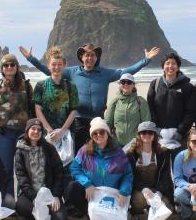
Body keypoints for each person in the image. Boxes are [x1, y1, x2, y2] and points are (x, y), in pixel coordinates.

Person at [20, 43, 160, 149]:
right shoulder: (72, 72)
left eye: (92, 55)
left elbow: (125, 72)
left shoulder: (105, 73)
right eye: (86, 55)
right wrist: (31, 59)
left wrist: (145, 60)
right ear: (82, 57)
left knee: (98, 151)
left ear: (96, 57)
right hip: (78, 120)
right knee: (79, 152)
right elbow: (51, 70)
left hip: (98, 119)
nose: (89, 58)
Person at [64, 117, 133, 220]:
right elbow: (74, 168)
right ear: (91, 136)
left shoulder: (118, 152)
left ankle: (115, 216)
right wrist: (87, 184)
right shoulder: (84, 151)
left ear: (107, 134)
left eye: (101, 132)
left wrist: (124, 191)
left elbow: (128, 174)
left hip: (112, 194)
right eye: (95, 133)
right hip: (92, 192)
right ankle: (90, 217)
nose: (98, 135)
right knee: (72, 187)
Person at [0, 53, 34, 197]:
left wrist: (31, 129)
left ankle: (23, 200)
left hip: (23, 133)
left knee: (24, 169)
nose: (9, 67)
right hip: (4, 134)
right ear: (2, 68)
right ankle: (8, 201)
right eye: (6, 65)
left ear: (17, 67)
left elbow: (32, 107)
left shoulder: (26, 85)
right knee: (5, 168)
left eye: (12, 64)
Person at [14, 119, 68, 220]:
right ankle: (32, 219)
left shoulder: (49, 148)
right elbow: (22, 178)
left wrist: (56, 195)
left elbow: (59, 173)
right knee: (21, 206)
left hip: (50, 194)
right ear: (27, 130)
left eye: (39, 130)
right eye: (33, 129)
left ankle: (46, 214)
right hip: (31, 195)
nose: (36, 132)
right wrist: (34, 198)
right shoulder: (20, 151)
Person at [124, 121, 174, 220]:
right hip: (138, 190)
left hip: (156, 189)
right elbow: (130, 177)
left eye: (150, 133)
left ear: (155, 135)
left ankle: (152, 211)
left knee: (166, 206)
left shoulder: (163, 153)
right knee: (139, 201)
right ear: (139, 135)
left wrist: (159, 192)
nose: (147, 135)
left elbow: (166, 176)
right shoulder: (130, 154)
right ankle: (135, 213)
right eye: (143, 133)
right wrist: (143, 189)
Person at [147, 52, 196, 144]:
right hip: (159, 134)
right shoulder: (155, 84)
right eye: (167, 63)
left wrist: (180, 132)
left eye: (174, 63)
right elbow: (150, 108)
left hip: (180, 135)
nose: (170, 66)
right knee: (160, 158)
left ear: (178, 67)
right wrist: (156, 129)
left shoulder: (187, 86)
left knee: (178, 158)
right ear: (163, 66)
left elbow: (190, 111)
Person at [32, 46, 79, 145]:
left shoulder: (71, 86)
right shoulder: (41, 85)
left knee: (66, 160)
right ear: (48, 66)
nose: (56, 67)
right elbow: (38, 109)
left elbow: (74, 110)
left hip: (67, 133)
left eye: (59, 64)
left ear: (64, 66)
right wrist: (49, 130)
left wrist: (61, 131)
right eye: (53, 64)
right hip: (46, 133)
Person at [105, 72, 151, 146]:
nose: (126, 84)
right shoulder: (115, 101)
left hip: (136, 144)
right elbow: (108, 123)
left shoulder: (140, 101)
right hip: (117, 144)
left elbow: (146, 124)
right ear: (119, 85)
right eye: (123, 82)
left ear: (133, 85)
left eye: (129, 82)